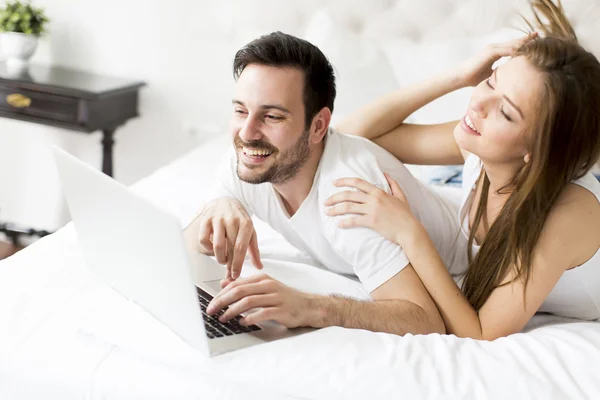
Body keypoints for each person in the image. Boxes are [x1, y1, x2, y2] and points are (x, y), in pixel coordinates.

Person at [330, 0, 600, 340]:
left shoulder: (566, 216)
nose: (478, 103)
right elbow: (349, 135)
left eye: (506, 112)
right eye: (491, 81)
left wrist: (408, 232)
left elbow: (481, 331)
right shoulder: (482, 146)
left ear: (537, 150)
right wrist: (458, 76)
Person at [183, 31, 469, 336]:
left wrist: (310, 307)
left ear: (318, 126)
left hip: (468, 241)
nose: (247, 133)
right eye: (240, 111)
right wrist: (218, 204)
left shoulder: (350, 198)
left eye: (272, 117)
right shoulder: (249, 159)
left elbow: (425, 319)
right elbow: (186, 244)